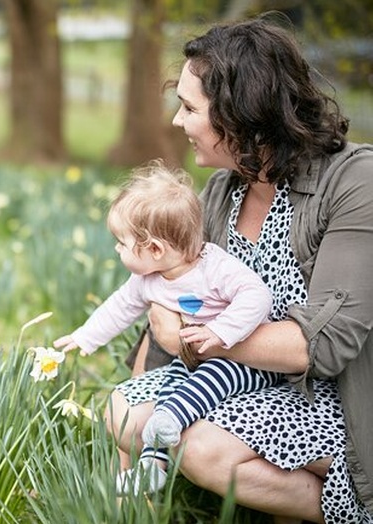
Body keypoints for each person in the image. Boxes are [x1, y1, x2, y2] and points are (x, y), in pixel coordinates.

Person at [106, 16, 373, 523]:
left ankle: (352, 506)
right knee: (126, 412)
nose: (176, 123)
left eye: (189, 108)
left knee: (202, 448)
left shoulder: (356, 181)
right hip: (244, 386)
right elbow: (164, 305)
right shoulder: (221, 193)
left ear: (242, 113)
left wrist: (192, 330)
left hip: (331, 399)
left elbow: (324, 343)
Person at [52, 161, 277, 495]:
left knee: (200, 383)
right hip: (194, 363)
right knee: (172, 388)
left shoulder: (214, 267)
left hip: (244, 365)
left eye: (122, 242)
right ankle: (153, 466)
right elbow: (119, 306)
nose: (116, 248)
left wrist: (221, 332)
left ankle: (162, 441)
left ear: (155, 249)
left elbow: (258, 295)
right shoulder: (147, 280)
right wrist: (86, 336)